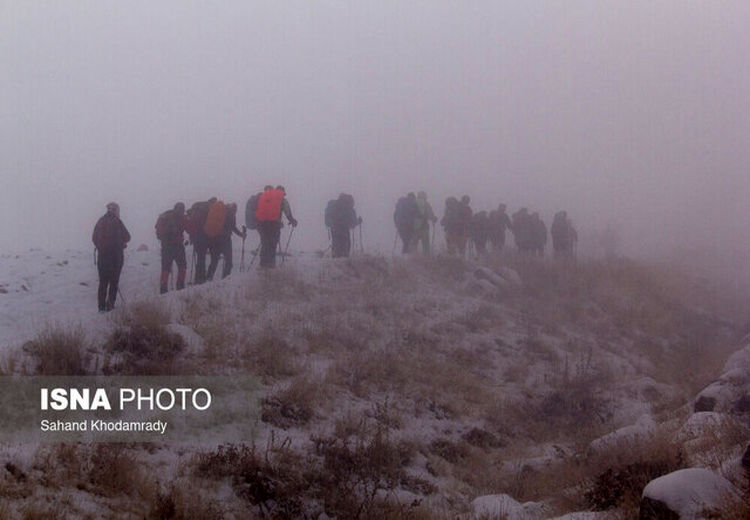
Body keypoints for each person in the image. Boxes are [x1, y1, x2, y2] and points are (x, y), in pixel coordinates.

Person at [92, 202, 130, 312]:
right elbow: (128, 237)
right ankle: (110, 305)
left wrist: (102, 248)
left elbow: (94, 238)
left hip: (103, 257)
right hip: (116, 257)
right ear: (116, 210)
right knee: (114, 281)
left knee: (103, 282)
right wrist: (119, 243)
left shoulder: (101, 221)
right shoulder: (117, 222)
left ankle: (101, 307)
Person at [255, 185, 297, 268]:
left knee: (264, 243)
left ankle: (262, 264)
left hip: (261, 224)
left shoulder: (264, 197)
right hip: (274, 225)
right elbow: (287, 212)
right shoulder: (282, 199)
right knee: (272, 244)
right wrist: (292, 221)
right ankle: (271, 265)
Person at [155, 202, 188, 294]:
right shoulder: (182, 218)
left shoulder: (165, 216)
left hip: (166, 246)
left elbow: (158, 231)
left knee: (165, 268)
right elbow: (189, 228)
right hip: (178, 246)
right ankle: (180, 286)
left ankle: (163, 288)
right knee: (182, 266)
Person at [207, 202, 245, 279]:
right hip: (225, 240)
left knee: (214, 260)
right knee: (229, 261)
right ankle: (225, 279)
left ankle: (209, 277)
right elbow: (233, 227)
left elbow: (231, 227)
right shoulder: (231, 215)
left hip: (215, 239)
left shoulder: (222, 212)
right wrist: (241, 234)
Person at [186, 197, 216, 284]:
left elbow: (191, 222)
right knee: (211, 257)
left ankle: (199, 279)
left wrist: (192, 236)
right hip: (206, 236)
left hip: (197, 237)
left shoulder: (197, 208)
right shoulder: (210, 209)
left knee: (200, 258)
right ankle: (205, 278)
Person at [325, 193, 361, 258]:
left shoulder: (335, 206)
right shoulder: (348, 208)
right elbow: (353, 223)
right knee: (345, 246)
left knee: (336, 245)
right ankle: (344, 262)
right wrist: (359, 221)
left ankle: (335, 261)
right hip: (344, 230)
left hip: (334, 229)